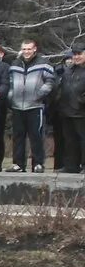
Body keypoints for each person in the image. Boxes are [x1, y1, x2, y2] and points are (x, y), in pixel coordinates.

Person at [7, 38, 56, 173]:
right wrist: (10, 97)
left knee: (36, 136)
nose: (26, 52)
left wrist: (39, 94)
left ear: (35, 49)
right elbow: (10, 83)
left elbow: (51, 82)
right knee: (18, 136)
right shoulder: (15, 64)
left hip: (35, 106)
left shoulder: (44, 64)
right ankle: (18, 164)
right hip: (17, 106)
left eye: (29, 49)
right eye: (24, 49)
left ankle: (38, 163)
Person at [59, 41, 85, 174]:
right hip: (67, 110)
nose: (76, 57)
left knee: (83, 139)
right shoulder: (68, 70)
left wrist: (81, 100)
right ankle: (71, 165)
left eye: (79, 54)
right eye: (74, 54)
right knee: (69, 140)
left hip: (81, 111)